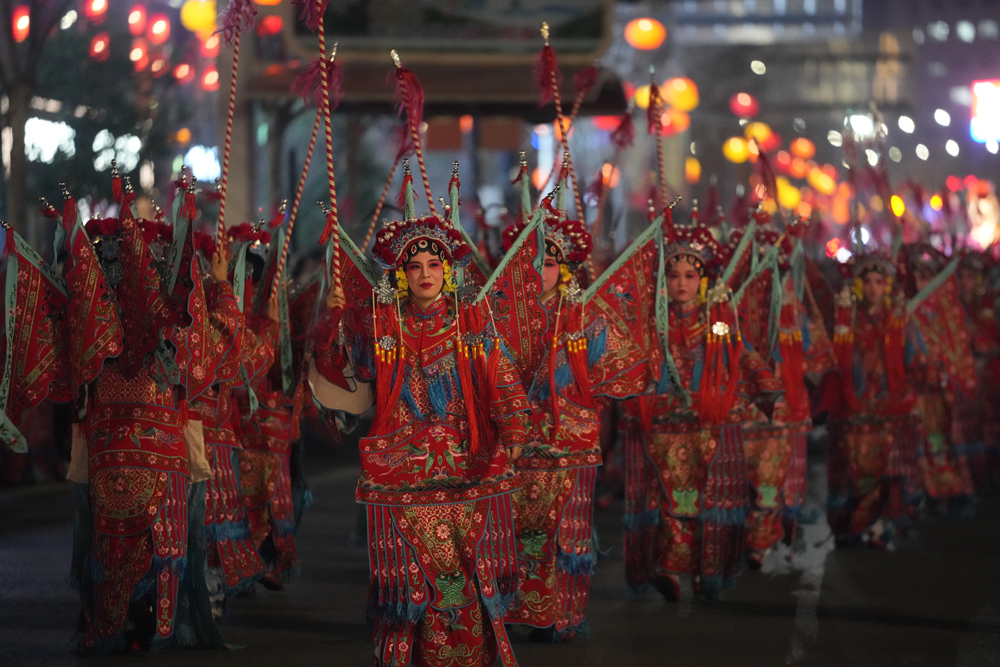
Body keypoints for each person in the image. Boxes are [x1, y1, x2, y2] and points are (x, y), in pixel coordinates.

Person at [311, 167, 531, 667]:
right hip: (402, 465)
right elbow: (350, 372)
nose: (426, 274)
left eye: (435, 264)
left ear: (448, 271)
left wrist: (515, 425)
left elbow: (501, 378)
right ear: (401, 275)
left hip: (467, 462)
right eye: (416, 268)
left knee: (463, 572)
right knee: (416, 576)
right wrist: (337, 319)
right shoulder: (383, 326)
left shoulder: (471, 322)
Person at [499, 209, 653, 642]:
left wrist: (585, 381)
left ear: (563, 269)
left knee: (564, 533)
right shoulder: (497, 318)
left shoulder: (586, 317)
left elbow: (624, 370)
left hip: (571, 445)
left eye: (547, 264)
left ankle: (561, 616)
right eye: (528, 264)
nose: (538, 272)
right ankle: (516, 609)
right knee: (518, 530)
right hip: (516, 446)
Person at [620, 208, 780, 600]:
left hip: (707, 423)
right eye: (673, 276)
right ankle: (672, 571)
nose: (681, 283)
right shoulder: (650, 323)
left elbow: (738, 353)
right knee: (669, 500)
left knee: (703, 499)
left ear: (703, 281)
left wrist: (764, 382)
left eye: (690, 276)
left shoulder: (716, 319)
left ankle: (706, 572)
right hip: (662, 424)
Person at [828, 251, 924, 547]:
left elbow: (913, 355)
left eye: (878, 282)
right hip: (855, 403)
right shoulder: (847, 317)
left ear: (887, 285)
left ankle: (879, 525)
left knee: (886, 467)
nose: (872, 287)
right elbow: (838, 356)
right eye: (866, 281)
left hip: (889, 401)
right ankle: (860, 525)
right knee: (858, 468)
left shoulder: (899, 318)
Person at [903, 244, 977, 511]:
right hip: (916, 390)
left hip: (941, 390)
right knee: (925, 443)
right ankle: (929, 494)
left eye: (926, 277)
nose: (921, 283)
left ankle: (952, 491)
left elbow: (954, 350)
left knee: (943, 441)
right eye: (917, 278)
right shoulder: (908, 312)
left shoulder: (943, 312)